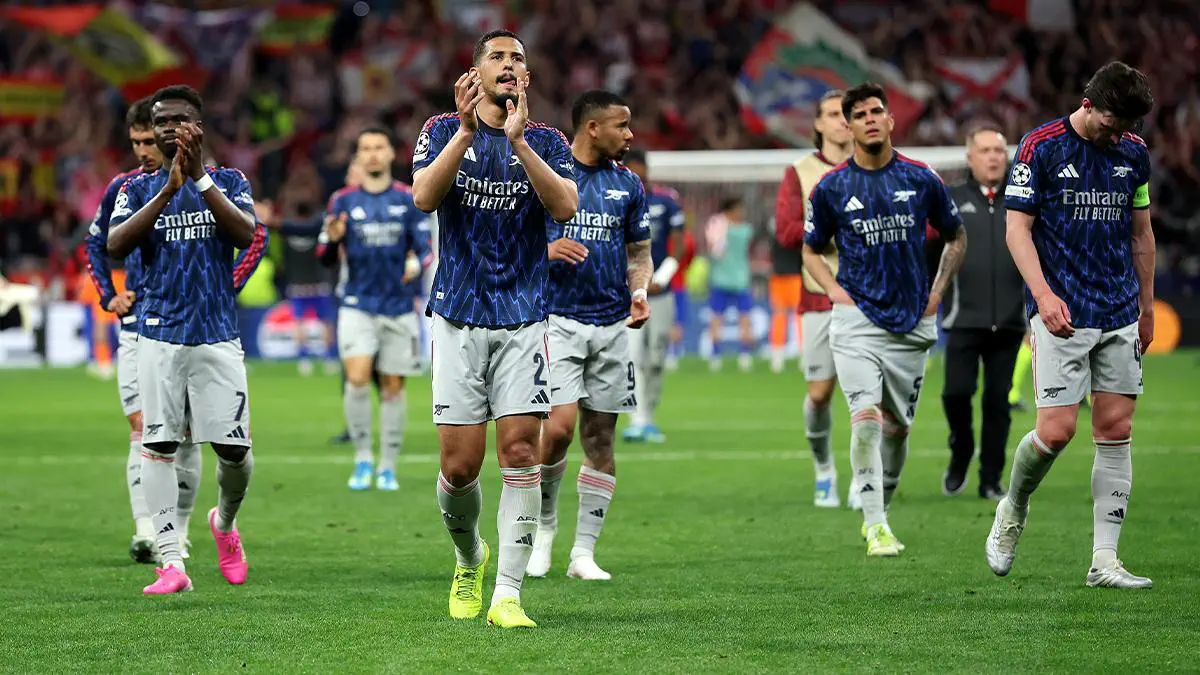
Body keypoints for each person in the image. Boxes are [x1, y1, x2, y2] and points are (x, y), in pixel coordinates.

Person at [410, 30, 577, 629]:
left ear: (527, 77)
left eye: (518, 59)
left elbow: (565, 208)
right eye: (498, 57)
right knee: (459, 468)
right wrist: (464, 133)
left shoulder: (548, 140)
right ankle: (468, 557)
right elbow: (424, 197)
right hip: (457, 316)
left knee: (521, 452)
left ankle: (508, 594)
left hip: (524, 318)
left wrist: (520, 143)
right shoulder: (439, 130)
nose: (509, 65)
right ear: (475, 73)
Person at [986, 62, 1156, 589]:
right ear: (1088, 104)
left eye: (1126, 127)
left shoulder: (1133, 153)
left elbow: (1141, 234)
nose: (1116, 134)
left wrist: (1147, 306)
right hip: (1060, 311)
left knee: (1116, 429)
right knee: (1057, 431)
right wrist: (1043, 296)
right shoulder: (1040, 147)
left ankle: (1104, 560)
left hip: (1119, 310)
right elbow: (1017, 230)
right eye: (1110, 123)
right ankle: (1013, 507)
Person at [86, 97, 265, 565]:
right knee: (154, 435)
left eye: (173, 123)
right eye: (150, 130)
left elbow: (251, 236)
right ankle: (160, 542)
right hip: (150, 329)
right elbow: (107, 243)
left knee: (227, 447)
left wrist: (225, 285)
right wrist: (108, 295)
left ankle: (208, 523)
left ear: (198, 126)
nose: (153, 141)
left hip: (214, 330)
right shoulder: (130, 188)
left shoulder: (228, 180)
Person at [802, 82, 967, 557]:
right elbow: (811, 249)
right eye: (860, 115)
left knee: (897, 429)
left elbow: (956, 236)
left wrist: (937, 291)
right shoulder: (832, 187)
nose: (870, 119)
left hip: (911, 322)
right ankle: (875, 526)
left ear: (890, 120)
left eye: (877, 111)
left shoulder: (921, 177)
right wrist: (834, 291)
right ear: (848, 126)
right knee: (866, 416)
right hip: (855, 320)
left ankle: (881, 505)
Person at [526, 90, 652, 582]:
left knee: (600, 437)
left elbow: (639, 252)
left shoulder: (629, 184)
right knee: (557, 430)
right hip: (556, 319)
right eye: (622, 125)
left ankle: (583, 554)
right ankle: (544, 530)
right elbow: (512, 245)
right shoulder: (550, 177)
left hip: (613, 324)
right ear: (593, 128)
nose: (630, 134)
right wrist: (546, 250)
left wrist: (639, 290)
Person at [318, 126, 433, 491]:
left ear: (390, 154)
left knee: (393, 387)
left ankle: (388, 466)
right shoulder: (342, 200)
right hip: (357, 304)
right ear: (358, 156)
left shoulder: (408, 198)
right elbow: (324, 254)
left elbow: (426, 249)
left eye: (378, 147)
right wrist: (331, 240)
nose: (372, 154)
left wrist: (416, 264)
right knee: (356, 378)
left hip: (399, 306)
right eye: (365, 148)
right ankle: (363, 458)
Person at [775, 89, 854, 508]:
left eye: (847, 113)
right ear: (818, 124)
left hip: (872, 297)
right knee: (820, 394)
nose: (843, 120)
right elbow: (786, 230)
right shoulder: (800, 172)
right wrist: (840, 228)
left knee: (869, 397)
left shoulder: (876, 166)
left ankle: (865, 478)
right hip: (820, 295)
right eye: (833, 114)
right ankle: (824, 469)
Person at [940, 123, 1026, 501]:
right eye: (985, 150)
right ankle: (960, 450)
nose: (994, 157)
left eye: (999, 150)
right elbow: (931, 252)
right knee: (955, 394)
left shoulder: (1022, 200)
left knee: (997, 402)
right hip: (963, 318)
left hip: (1009, 320)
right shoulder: (950, 198)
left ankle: (990, 478)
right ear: (969, 157)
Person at [621, 149, 684, 443]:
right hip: (629, 294)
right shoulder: (617, 200)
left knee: (657, 358)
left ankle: (649, 416)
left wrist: (662, 278)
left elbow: (679, 244)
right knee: (633, 356)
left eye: (640, 168)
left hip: (661, 293)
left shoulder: (665, 201)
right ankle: (637, 419)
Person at [705, 197, 755, 371]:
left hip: (735, 280)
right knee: (721, 318)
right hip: (728, 280)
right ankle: (718, 355)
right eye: (738, 209)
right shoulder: (744, 230)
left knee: (739, 318)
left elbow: (714, 249)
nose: (741, 212)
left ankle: (741, 354)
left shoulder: (721, 227)